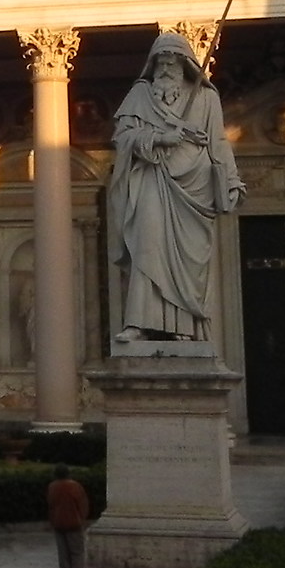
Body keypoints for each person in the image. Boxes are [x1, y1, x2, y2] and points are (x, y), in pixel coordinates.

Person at [109, 31, 244, 341]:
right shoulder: (140, 95)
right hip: (153, 179)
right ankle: (138, 324)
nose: (167, 68)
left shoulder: (206, 98)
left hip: (194, 185)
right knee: (148, 244)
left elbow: (219, 143)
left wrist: (232, 180)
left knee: (186, 258)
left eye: (173, 61)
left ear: (186, 64)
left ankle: (185, 327)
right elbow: (123, 138)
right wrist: (159, 138)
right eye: (161, 62)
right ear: (153, 64)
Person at [47, 464, 91, 568]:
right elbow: (83, 505)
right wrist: (82, 519)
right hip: (73, 524)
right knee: (77, 553)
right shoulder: (75, 486)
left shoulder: (52, 487)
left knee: (63, 554)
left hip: (58, 524)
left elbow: (50, 505)